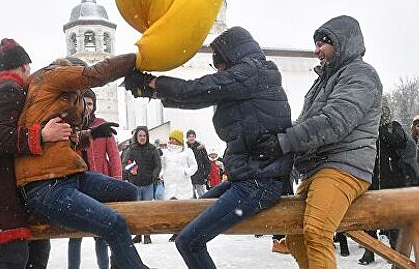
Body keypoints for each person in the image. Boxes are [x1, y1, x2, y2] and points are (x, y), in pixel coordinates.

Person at [125, 26, 293, 268]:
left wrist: (152, 82)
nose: (220, 71)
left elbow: (200, 88)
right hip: (247, 177)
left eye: (220, 65)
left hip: (259, 181)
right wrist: (156, 92)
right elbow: (201, 97)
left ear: (232, 56)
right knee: (188, 217)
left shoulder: (252, 72)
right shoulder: (250, 77)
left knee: (188, 241)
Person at [14, 54, 150, 269]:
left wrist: (91, 134)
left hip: (69, 177)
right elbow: (95, 75)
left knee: (129, 192)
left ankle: (121, 265)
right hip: (45, 187)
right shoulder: (54, 75)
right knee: (114, 224)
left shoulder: (52, 95)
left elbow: (57, 143)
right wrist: (137, 59)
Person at [272, 15, 382, 268]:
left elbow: (335, 121)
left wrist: (285, 142)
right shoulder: (323, 81)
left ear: (341, 43)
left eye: (322, 43)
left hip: (344, 166)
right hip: (317, 167)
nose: (316, 50)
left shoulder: (360, 74)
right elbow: (306, 121)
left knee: (316, 231)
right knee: (295, 236)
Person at [0, 38, 71, 268]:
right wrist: (41, 135)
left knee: (36, 249)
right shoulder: (9, 90)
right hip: (1, 187)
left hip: (3, 185)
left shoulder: (5, 89)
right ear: (24, 66)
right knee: (16, 257)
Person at [357, 98, 417, 265]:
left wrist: (380, 128)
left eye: (379, 111)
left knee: (393, 222)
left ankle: (396, 254)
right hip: (370, 181)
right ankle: (369, 251)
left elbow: (399, 141)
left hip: (392, 182)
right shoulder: (364, 130)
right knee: (368, 220)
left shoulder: (393, 126)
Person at [68, 88, 123, 269]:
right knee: (75, 233)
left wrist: (117, 180)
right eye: (84, 102)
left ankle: (104, 267)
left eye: (90, 103)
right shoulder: (70, 125)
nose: (87, 107)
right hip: (77, 184)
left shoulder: (102, 125)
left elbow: (114, 155)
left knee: (101, 230)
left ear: (94, 106)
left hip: (100, 183)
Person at [122, 126, 162, 244]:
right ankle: (138, 234)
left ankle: (147, 235)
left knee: (147, 211)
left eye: (144, 136)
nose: (142, 138)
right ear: (136, 137)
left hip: (148, 184)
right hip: (134, 184)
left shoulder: (152, 149)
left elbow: (157, 165)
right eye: (140, 136)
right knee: (137, 211)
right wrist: (131, 171)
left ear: (147, 136)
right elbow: (124, 163)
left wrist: (153, 176)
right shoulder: (130, 149)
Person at [160, 129, 198, 242]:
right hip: (170, 185)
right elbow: (163, 166)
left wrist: (186, 172)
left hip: (183, 185)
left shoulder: (187, 152)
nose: (172, 141)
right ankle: (175, 231)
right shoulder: (165, 152)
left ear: (179, 140)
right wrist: (162, 174)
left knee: (184, 209)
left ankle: (185, 231)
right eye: (170, 139)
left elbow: (194, 166)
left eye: (174, 139)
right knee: (173, 210)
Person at [186, 129, 210, 198]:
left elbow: (206, 162)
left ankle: (203, 208)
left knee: (202, 195)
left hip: (199, 174)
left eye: (193, 136)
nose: (191, 138)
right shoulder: (184, 147)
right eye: (189, 136)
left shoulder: (200, 147)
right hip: (189, 174)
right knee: (190, 195)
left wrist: (206, 174)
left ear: (195, 137)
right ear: (187, 137)